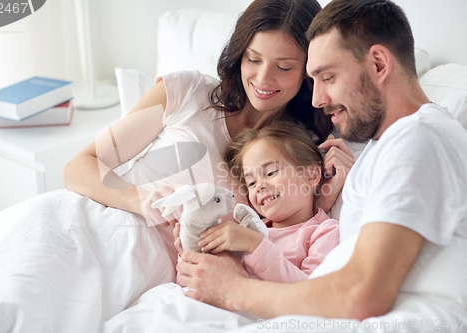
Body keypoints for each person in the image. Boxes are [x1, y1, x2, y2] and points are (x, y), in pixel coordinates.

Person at [176, 0, 467, 321]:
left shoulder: (416, 139)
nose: (317, 99)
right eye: (313, 82)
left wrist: (232, 289)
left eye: (328, 77)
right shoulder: (397, 142)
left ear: (379, 64)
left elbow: (362, 296)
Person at [64, 0, 353, 239]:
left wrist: (321, 204)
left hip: (154, 277)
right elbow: (78, 167)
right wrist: (140, 200)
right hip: (91, 226)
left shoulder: (301, 152)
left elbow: (283, 247)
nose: (263, 78)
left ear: (307, 71)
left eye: (283, 66)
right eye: (253, 59)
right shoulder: (186, 91)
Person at [173, 121, 339, 283]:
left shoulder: (325, 232)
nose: (259, 186)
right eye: (251, 183)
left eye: (270, 172)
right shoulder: (244, 227)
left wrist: (255, 245)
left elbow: (311, 291)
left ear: (311, 175)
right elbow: (194, 281)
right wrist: (190, 252)